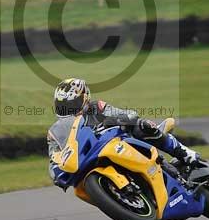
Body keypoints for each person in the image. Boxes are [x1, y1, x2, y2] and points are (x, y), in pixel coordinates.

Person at [47, 78, 200, 188]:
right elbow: (54, 157)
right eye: (63, 106)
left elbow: (128, 114)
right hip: (92, 158)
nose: (68, 109)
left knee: (141, 125)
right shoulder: (56, 131)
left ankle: (184, 153)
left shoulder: (97, 108)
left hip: (122, 143)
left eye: (72, 104)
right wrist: (57, 174)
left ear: (85, 99)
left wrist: (114, 120)